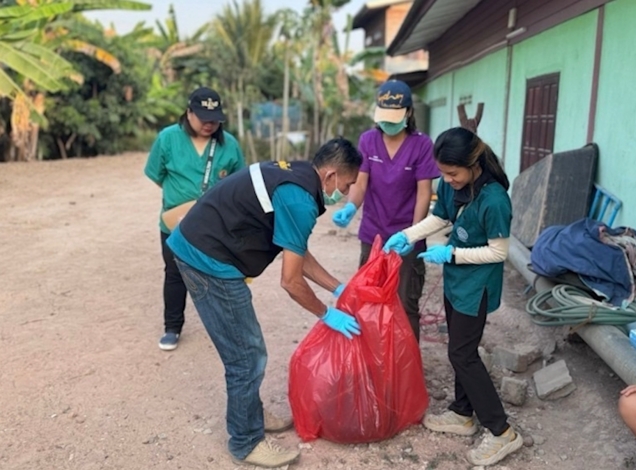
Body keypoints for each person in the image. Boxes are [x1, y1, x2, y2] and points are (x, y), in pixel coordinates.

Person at [166, 137, 363, 468]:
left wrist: (337, 287)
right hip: (208, 261)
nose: (346, 191)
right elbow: (290, 280)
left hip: (202, 244)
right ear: (330, 176)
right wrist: (326, 313)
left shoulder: (298, 174)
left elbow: (295, 248)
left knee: (246, 349)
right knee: (246, 355)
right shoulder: (300, 199)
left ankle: (250, 413)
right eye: (347, 183)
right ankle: (246, 441)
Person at [384, 127, 523, 466]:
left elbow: (498, 252)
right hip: (456, 281)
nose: (447, 179)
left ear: (473, 164)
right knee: (461, 348)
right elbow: (440, 217)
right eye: (443, 173)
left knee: (462, 354)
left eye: (452, 173)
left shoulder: (494, 199)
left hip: (476, 285)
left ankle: (502, 431)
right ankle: (462, 413)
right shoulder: (452, 184)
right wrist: (407, 235)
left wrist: (453, 255)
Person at [332, 79, 439, 341]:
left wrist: (413, 236)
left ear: (409, 113)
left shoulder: (422, 145)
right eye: (384, 118)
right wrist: (350, 207)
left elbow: (424, 192)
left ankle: (405, 368)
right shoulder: (368, 140)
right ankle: (371, 359)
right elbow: (361, 182)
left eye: (395, 118)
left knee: (405, 304)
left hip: (407, 236)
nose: (388, 125)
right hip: (374, 235)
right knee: (368, 299)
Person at [144, 87, 246, 351]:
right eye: (202, 117)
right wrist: (180, 202)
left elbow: (238, 184)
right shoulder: (167, 139)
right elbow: (155, 174)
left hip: (214, 224)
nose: (209, 123)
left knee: (215, 273)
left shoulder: (230, 145)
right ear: (188, 113)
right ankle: (172, 327)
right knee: (175, 273)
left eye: (214, 118)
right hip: (174, 221)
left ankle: (223, 327)